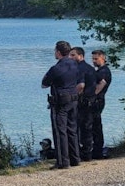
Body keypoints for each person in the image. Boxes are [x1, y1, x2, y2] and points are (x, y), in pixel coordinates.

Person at [41, 40, 82, 170]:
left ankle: (63, 162)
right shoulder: (76, 65)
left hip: (61, 102)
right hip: (74, 100)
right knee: (72, 130)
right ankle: (75, 159)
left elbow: (44, 84)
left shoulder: (56, 68)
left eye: (55, 51)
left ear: (58, 52)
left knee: (60, 132)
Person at [71, 47, 97, 162]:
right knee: (87, 127)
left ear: (80, 56)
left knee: (80, 128)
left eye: (73, 55)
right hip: (91, 100)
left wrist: (72, 96)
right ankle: (88, 152)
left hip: (83, 102)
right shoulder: (91, 68)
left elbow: (81, 85)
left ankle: (82, 153)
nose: (70, 57)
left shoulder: (79, 68)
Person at [91, 49, 112, 159]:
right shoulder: (99, 70)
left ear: (103, 58)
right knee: (95, 125)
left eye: (96, 59)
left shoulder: (104, 71)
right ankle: (96, 149)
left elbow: (100, 86)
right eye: (92, 59)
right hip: (97, 100)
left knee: (96, 126)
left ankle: (97, 151)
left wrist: (91, 95)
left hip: (97, 100)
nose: (94, 61)